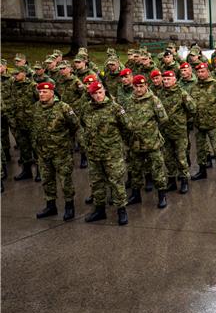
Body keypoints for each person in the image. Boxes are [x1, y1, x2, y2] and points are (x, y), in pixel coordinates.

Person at [82, 81, 130, 226]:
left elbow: (127, 127)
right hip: (94, 154)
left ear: (104, 91)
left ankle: (122, 210)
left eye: (100, 92)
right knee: (96, 183)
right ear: (90, 95)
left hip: (112, 154)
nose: (98, 96)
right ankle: (99, 210)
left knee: (116, 182)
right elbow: (83, 125)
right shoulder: (87, 108)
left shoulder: (115, 108)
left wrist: (117, 144)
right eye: (95, 94)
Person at [31, 81, 80, 221]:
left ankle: (69, 206)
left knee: (65, 180)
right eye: (40, 92)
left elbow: (75, 125)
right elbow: (35, 128)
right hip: (43, 152)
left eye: (44, 92)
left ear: (52, 93)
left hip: (61, 152)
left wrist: (66, 141)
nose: (41, 94)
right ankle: (50, 205)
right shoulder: (36, 107)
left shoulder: (63, 108)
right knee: (47, 180)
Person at [126, 75, 169, 209]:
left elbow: (163, 119)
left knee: (157, 169)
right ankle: (136, 195)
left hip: (152, 142)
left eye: (141, 86)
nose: (138, 89)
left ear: (146, 86)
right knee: (136, 169)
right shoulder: (130, 101)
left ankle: (162, 195)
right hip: (136, 143)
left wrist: (151, 130)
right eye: (136, 86)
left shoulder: (154, 100)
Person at [189, 62, 216, 182]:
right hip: (198, 123)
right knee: (201, 149)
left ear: (207, 72)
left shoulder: (215, 85)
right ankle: (202, 171)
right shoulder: (194, 87)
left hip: (213, 123)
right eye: (198, 72)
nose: (200, 74)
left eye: (202, 71)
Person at [159, 70, 196, 194]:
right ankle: (172, 181)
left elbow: (192, 108)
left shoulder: (182, 93)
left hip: (179, 131)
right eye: (164, 79)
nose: (166, 81)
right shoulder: (160, 94)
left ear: (174, 80)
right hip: (165, 131)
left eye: (169, 79)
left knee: (181, 157)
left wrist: (183, 120)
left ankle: (184, 179)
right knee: (168, 158)